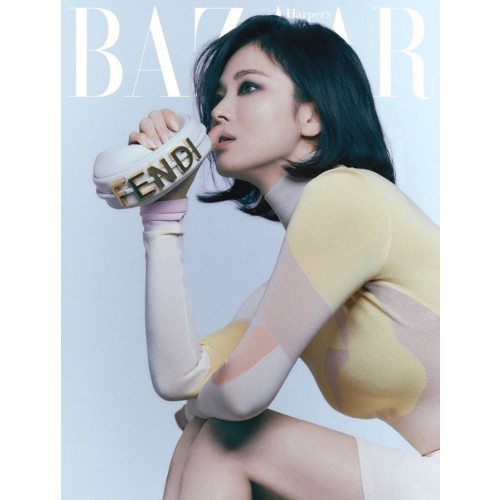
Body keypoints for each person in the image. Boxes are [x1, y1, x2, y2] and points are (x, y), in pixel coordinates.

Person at [126, 15, 439, 500]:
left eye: (248, 87)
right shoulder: (287, 296)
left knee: (224, 438)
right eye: (218, 96)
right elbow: (178, 377)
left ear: (310, 116)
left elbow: (239, 396)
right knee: (208, 434)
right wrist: (163, 214)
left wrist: (201, 409)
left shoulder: (347, 195)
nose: (219, 111)